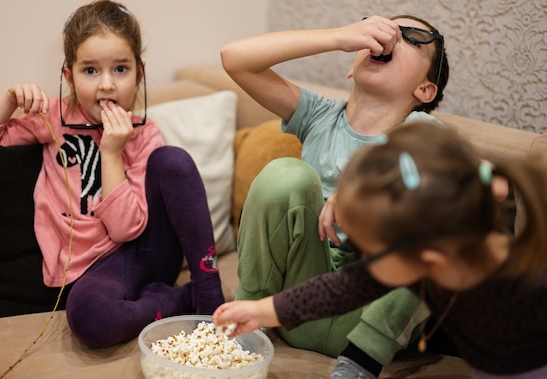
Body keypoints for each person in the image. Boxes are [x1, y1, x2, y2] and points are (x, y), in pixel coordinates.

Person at [0, 0, 224, 347]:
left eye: (120, 69)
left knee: (173, 161)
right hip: (93, 272)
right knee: (91, 317)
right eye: (91, 71)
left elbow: (126, 228)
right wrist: (9, 99)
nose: (106, 85)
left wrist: (113, 152)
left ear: (140, 72)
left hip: (143, 251)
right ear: (68, 76)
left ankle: (209, 296)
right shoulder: (54, 118)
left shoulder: (143, 132)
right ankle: (179, 299)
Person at [214, 121, 547, 379]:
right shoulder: (435, 259)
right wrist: (261, 311)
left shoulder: (527, 293)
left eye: (370, 252)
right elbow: (340, 290)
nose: (360, 263)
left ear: (429, 260)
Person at [220, 15, 449, 377]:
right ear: (352, 66)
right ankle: (246, 325)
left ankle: (359, 363)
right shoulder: (318, 115)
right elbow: (235, 57)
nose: (390, 36)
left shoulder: (424, 130)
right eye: (383, 27)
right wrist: (338, 37)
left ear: (424, 90)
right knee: (286, 173)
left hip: (371, 313)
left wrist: (364, 193)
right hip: (299, 302)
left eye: (413, 37)